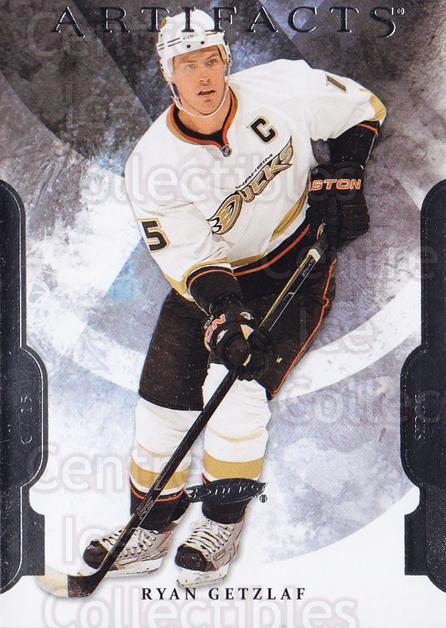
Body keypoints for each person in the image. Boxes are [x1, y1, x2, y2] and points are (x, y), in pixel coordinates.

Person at [83, 9, 386, 587]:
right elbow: (194, 261)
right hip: (213, 283)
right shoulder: (151, 165)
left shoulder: (282, 87)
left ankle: (220, 526)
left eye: (210, 60)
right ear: (168, 74)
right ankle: (148, 531)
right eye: (186, 65)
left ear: (226, 59)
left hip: (294, 264)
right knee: (161, 408)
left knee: (238, 397)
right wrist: (225, 315)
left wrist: (347, 170)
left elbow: (364, 108)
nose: (202, 76)